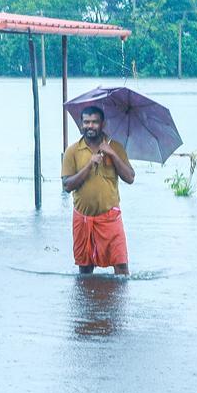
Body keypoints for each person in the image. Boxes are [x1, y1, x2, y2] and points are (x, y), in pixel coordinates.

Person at [62, 105, 135, 276]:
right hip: (83, 219)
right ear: (81, 125)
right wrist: (89, 165)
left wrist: (112, 154)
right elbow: (67, 186)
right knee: (85, 269)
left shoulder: (115, 146)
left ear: (102, 124)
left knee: (122, 267)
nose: (90, 126)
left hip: (110, 218)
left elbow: (130, 178)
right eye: (86, 122)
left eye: (95, 122)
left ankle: (120, 303)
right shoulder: (72, 151)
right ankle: (88, 302)